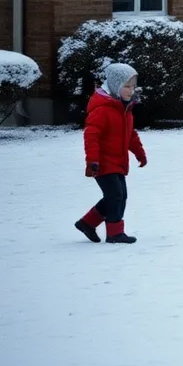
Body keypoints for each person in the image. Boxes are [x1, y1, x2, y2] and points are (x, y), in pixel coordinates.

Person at [74, 63, 146, 245]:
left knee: (119, 195)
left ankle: (87, 223)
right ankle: (114, 233)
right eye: (127, 86)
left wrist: (139, 153)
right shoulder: (102, 110)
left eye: (133, 86)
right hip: (103, 162)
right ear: (115, 86)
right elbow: (91, 135)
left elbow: (130, 135)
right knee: (115, 195)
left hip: (118, 161)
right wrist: (92, 161)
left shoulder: (125, 109)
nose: (131, 90)